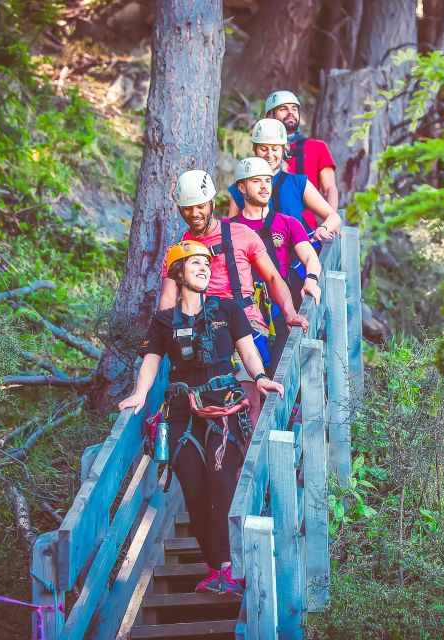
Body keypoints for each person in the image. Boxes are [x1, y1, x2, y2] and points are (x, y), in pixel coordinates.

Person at [119, 240, 284, 595]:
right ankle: (215, 567)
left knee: (221, 483)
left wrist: (260, 378)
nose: (204, 268)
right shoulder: (164, 321)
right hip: (182, 413)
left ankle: (229, 567)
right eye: (195, 263)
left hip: (224, 406)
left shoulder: (228, 309)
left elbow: (248, 350)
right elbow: (151, 361)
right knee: (194, 490)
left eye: (207, 264)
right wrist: (140, 394)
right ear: (178, 273)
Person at [159, 169, 308, 425]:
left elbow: (273, 278)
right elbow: (167, 301)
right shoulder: (177, 252)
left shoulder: (242, 235)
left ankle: (251, 453)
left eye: (200, 207)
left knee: (247, 393)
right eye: (187, 209)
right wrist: (161, 339)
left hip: (243, 322)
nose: (194, 215)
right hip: (200, 326)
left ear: (212, 203)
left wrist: (290, 312)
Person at [229, 155, 324, 365]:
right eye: (256, 181)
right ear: (241, 188)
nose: (264, 187)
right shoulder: (227, 228)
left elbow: (310, 256)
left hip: (282, 308)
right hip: (243, 312)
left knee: (281, 371)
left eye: (268, 180)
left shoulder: (287, 223)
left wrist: (310, 279)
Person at [227, 119, 342, 240]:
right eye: (263, 149)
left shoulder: (298, 183)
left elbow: (333, 217)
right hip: (257, 255)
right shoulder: (241, 187)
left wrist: (323, 228)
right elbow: (231, 230)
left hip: (299, 255)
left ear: (283, 150)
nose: (270, 155)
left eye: (275, 149)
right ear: (255, 149)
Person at [265, 90, 339, 230]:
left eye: (294, 109)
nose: (290, 112)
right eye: (283, 109)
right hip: (267, 227)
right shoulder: (264, 152)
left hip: (305, 229)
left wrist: (331, 221)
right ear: (270, 115)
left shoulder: (317, 147)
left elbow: (330, 188)